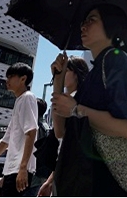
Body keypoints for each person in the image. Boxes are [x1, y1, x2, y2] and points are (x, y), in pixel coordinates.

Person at [50, 4, 127, 196]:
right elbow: (61, 132)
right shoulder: (94, 73)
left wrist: (77, 109)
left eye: (91, 20)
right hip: (83, 180)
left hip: (105, 183)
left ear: (111, 25)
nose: (83, 26)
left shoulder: (116, 61)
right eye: (83, 22)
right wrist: (58, 82)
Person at [38, 56, 89, 197]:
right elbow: (61, 139)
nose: (61, 74)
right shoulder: (68, 98)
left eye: (66, 71)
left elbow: (60, 133)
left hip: (76, 171)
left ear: (77, 74)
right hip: (63, 166)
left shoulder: (81, 100)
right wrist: (49, 181)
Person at [0, 63, 38, 197]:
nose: (6, 80)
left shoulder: (27, 97)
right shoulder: (20, 101)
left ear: (23, 79)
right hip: (11, 170)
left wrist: (23, 167)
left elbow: (31, 132)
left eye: (11, 76)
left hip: (19, 169)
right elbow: (5, 141)